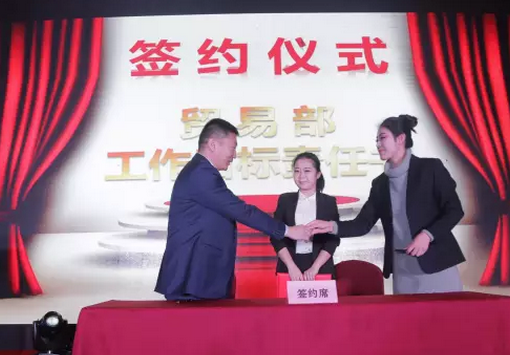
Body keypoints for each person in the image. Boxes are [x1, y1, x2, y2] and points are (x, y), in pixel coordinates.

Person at [155, 118, 312, 301]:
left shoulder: (202, 171)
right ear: (213, 144)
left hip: (201, 277)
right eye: (232, 147)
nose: (235, 155)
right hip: (193, 277)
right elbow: (241, 211)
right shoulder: (201, 174)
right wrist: (288, 231)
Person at [308, 114, 465, 294]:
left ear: (400, 139)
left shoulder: (430, 168)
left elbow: (454, 210)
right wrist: (331, 226)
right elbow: (362, 224)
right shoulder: (380, 184)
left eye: (382, 138)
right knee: (406, 312)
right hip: (403, 269)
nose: (378, 144)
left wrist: (427, 235)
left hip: (438, 264)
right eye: (376, 140)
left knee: (447, 312)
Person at [270, 152, 341, 281]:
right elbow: (276, 235)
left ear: (318, 174)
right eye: (297, 171)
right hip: (289, 266)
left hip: (320, 267)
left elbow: (333, 240)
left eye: (307, 171)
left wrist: (315, 268)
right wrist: (291, 266)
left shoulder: (329, 202)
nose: (301, 176)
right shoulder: (285, 200)